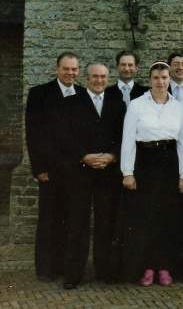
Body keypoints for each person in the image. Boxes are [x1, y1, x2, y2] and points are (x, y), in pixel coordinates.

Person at [119, 62, 183, 286]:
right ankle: (147, 267)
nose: (160, 82)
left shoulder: (178, 107)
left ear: (170, 80)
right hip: (145, 163)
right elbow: (128, 139)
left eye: (164, 78)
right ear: (150, 79)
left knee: (167, 217)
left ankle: (165, 266)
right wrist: (128, 172)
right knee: (145, 218)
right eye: (156, 78)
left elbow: (182, 142)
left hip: (169, 163)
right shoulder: (137, 105)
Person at [59, 62, 126, 289]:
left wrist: (112, 157)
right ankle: (74, 274)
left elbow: (124, 136)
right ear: (86, 79)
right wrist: (83, 156)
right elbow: (64, 137)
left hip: (108, 174)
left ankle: (105, 270)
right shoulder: (71, 103)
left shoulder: (118, 105)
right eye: (95, 77)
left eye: (103, 77)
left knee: (106, 222)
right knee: (78, 223)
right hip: (81, 172)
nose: (99, 81)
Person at [25, 52, 86, 282]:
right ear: (56, 69)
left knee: (69, 218)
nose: (70, 73)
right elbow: (32, 133)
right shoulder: (40, 94)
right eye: (66, 69)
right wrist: (39, 168)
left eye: (74, 69)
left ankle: (62, 265)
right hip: (49, 169)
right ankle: (45, 268)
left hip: (75, 169)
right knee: (49, 218)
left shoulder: (83, 95)